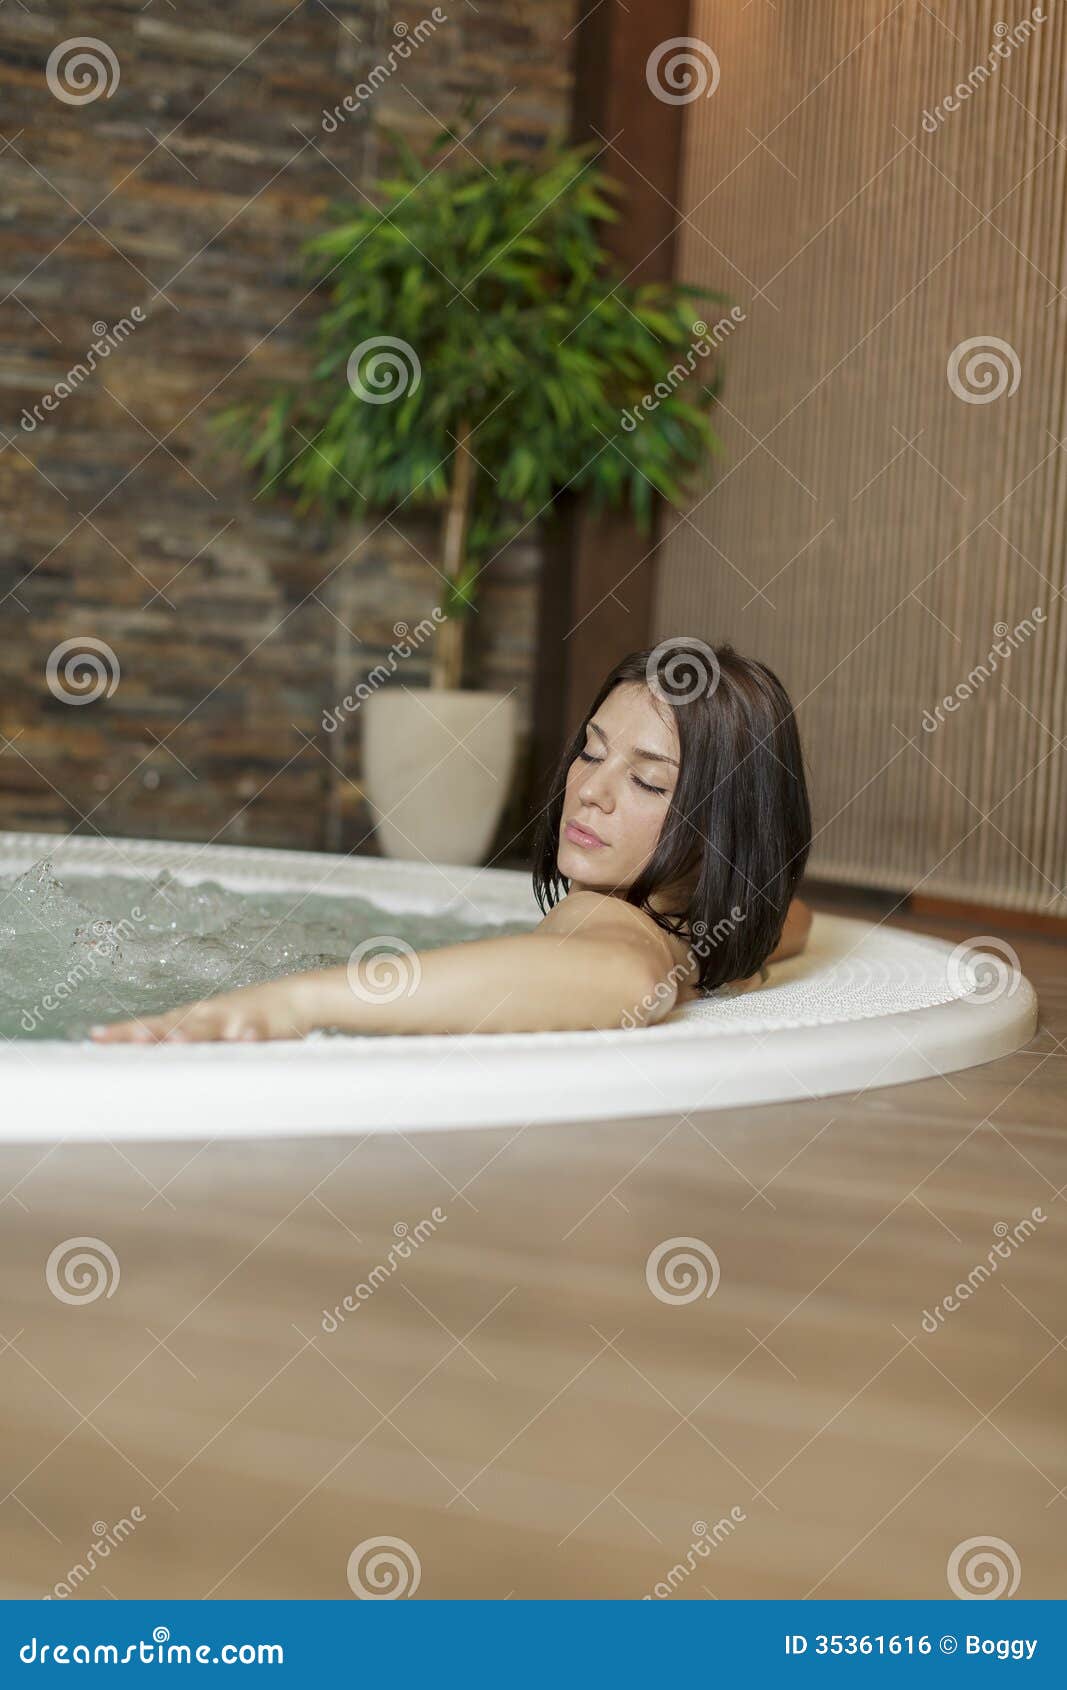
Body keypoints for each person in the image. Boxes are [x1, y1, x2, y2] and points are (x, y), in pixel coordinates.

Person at [90, 640, 812, 1045]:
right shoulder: (710, 921)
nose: (589, 790)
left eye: (648, 783)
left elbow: (626, 979)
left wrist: (294, 1003)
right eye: (591, 753)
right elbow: (790, 917)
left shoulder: (610, 922)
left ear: (726, 827)